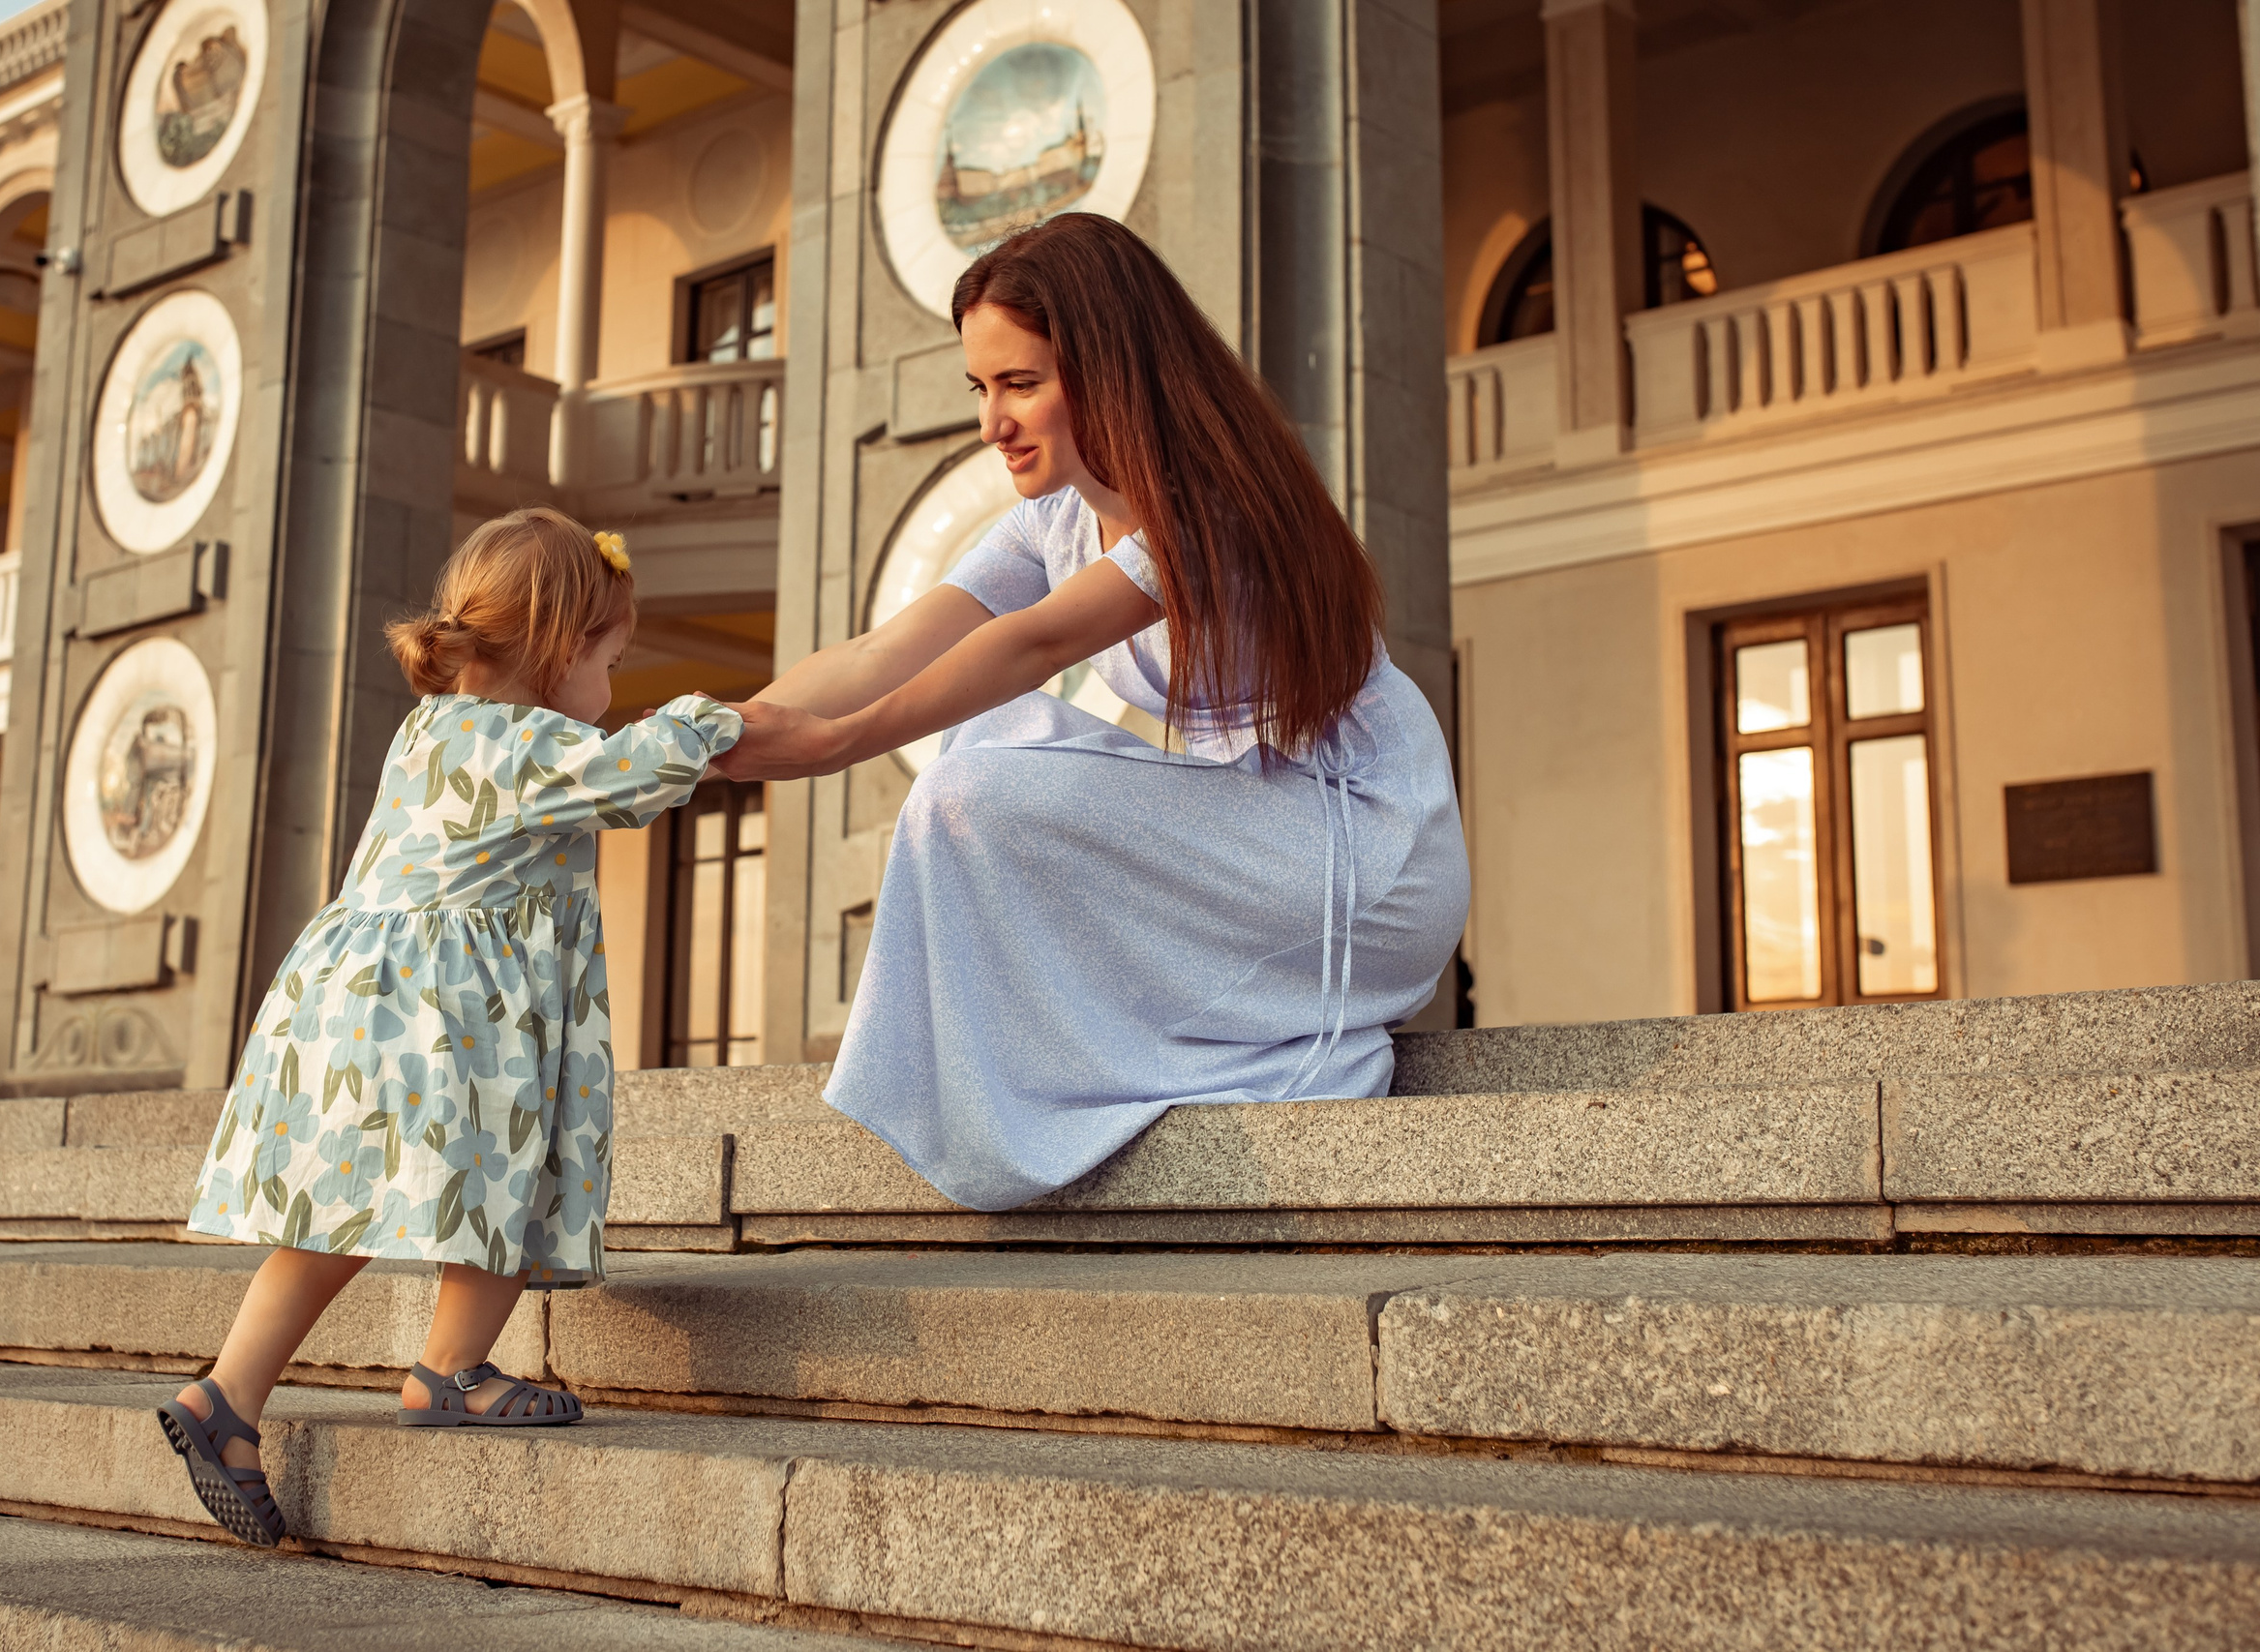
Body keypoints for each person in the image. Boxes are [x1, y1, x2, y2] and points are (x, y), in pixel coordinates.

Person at [721, 213, 1469, 1213]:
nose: (993, 423)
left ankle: (1173, 1068)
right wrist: (700, 737)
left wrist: (839, 743)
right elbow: (881, 651)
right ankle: (1067, 1076)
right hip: (1257, 824)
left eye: (1021, 384)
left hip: (1368, 852)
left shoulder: (1212, 505)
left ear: (1111, 371)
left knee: (975, 783)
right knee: (980, 747)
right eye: (981, 388)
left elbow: (1033, 645)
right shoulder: (1055, 518)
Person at [158, 507, 738, 1547]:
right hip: (452, 1017)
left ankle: (227, 1396)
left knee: (331, 1217)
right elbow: (645, 770)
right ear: (562, 651)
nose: (612, 684)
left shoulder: (427, 728)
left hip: (354, 997)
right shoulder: (532, 745)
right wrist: (713, 718)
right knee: (511, 1175)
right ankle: (450, 1370)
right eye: (612, 658)